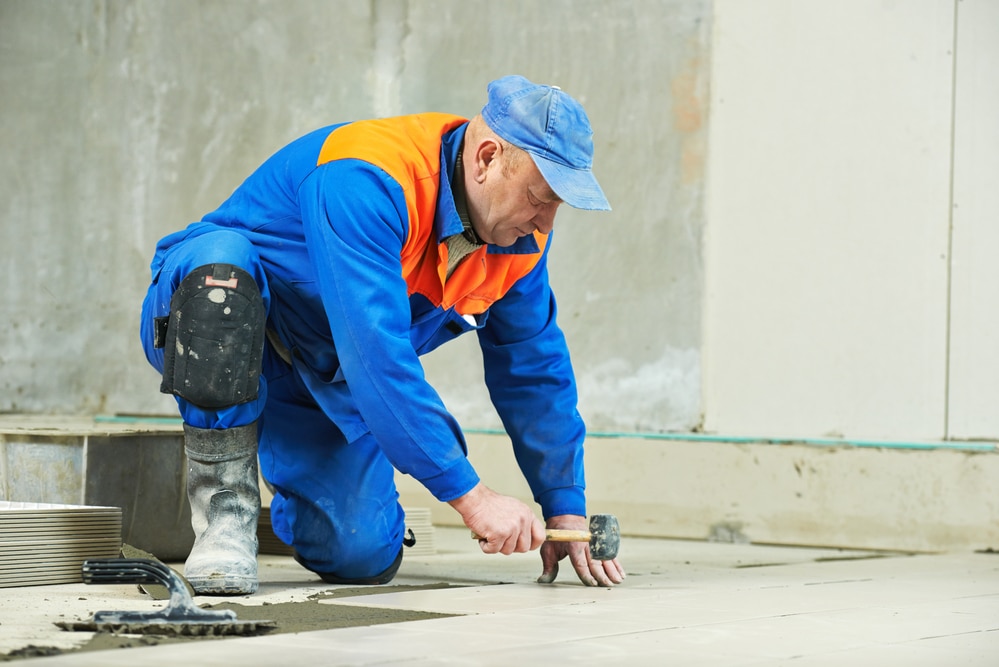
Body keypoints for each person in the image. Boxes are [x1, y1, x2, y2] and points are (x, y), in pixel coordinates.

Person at [139, 74, 625, 594]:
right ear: (486, 159)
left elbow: (533, 369)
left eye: (558, 207)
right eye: (539, 197)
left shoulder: (518, 243)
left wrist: (565, 506)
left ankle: (288, 487)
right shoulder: (369, 177)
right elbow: (377, 354)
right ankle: (224, 514)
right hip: (230, 323)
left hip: (324, 379)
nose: (545, 222)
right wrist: (473, 497)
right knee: (221, 276)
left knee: (361, 553)